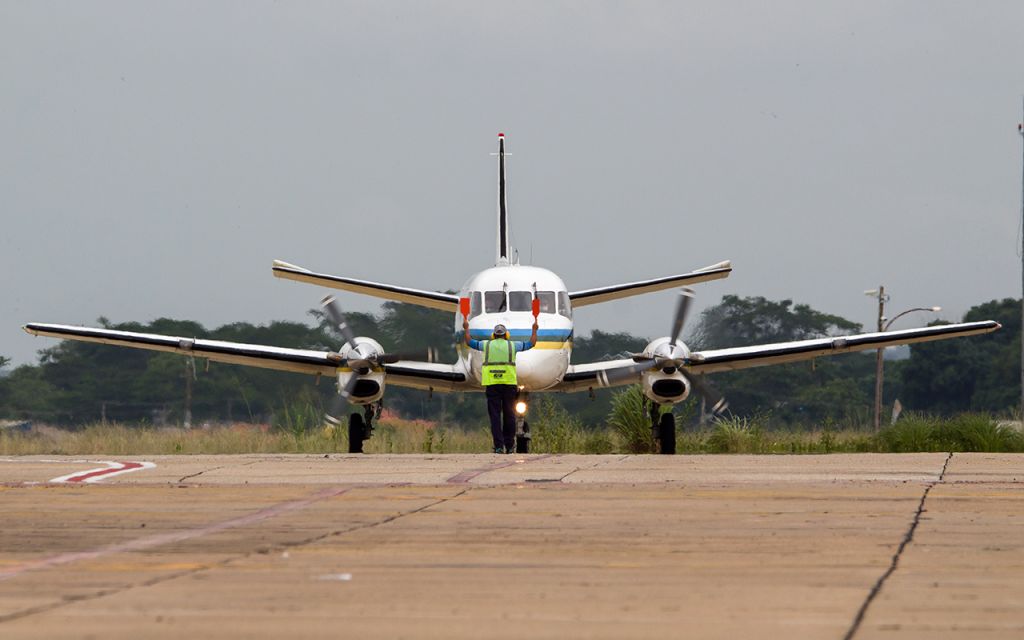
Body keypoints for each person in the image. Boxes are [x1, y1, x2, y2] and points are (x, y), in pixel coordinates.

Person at [463, 319, 538, 453]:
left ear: (494, 335)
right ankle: (509, 446)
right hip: (509, 384)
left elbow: (469, 342)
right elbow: (531, 343)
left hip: (492, 384)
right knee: (510, 415)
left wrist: (466, 328)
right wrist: (534, 329)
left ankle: (498, 446)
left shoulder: (486, 345)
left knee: (495, 416)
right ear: (506, 335)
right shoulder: (512, 346)